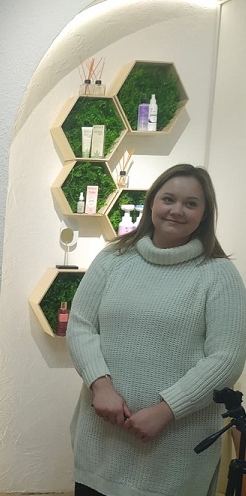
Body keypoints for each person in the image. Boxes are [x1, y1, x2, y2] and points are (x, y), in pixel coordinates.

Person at [67, 163, 246, 496]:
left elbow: (227, 358)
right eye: (168, 199)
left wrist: (167, 410)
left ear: (204, 214)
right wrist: (100, 385)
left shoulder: (219, 275)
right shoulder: (113, 258)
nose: (177, 210)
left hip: (174, 448)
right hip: (102, 438)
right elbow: (80, 325)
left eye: (191, 203)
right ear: (152, 203)